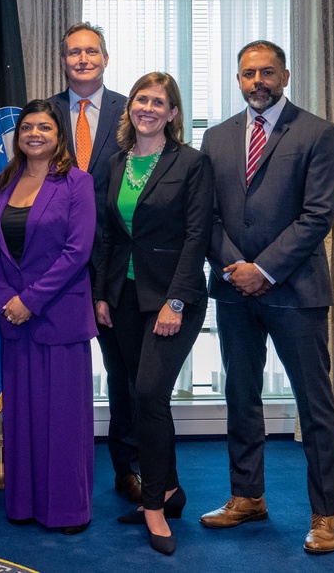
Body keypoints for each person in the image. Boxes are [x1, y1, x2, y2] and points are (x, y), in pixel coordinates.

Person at [199, 40, 334, 554]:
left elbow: (318, 216)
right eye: (246, 73)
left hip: (296, 290)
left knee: (314, 404)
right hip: (234, 289)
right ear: (236, 79)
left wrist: (264, 269)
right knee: (240, 397)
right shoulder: (215, 139)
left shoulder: (318, 133)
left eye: (266, 72)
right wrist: (236, 269)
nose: (256, 81)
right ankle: (247, 496)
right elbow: (209, 217)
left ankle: (327, 512)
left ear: (285, 76)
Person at [93, 73, 214, 555]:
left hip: (170, 299)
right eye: (141, 99)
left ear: (173, 113)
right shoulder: (115, 162)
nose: (147, 107)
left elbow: (196, 237)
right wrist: (101, 293)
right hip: (121, 298)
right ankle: (170, 488)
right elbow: (108, 235)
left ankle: (154, 505)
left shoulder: (191, 163)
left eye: (158, 102)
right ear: (131, 108)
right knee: (133, 393)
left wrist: (177, 300)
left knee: (149, 393)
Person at [0, 98, 97, 534]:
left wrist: (30, 300)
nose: (34, 134)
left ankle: (67, 509)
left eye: (44, 127)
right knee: (25, 419)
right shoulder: (5, 182)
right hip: (14, 320)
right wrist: (8, 298)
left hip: (58, 319)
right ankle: (25, 503)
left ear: (58, 134)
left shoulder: (76, 183)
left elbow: (77, 252)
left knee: (64, 420)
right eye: (27, 126)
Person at [48, 22, 140, 504]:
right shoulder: (44, 113)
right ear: (62, 61)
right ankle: (55, 462)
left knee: (123, 372)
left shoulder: (134, 109)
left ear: (105, 57)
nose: (82, 59)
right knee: (55, 370)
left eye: (90, 51)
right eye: (73, 53)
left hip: (114, 263)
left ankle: (129, 468)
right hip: (55, 267)